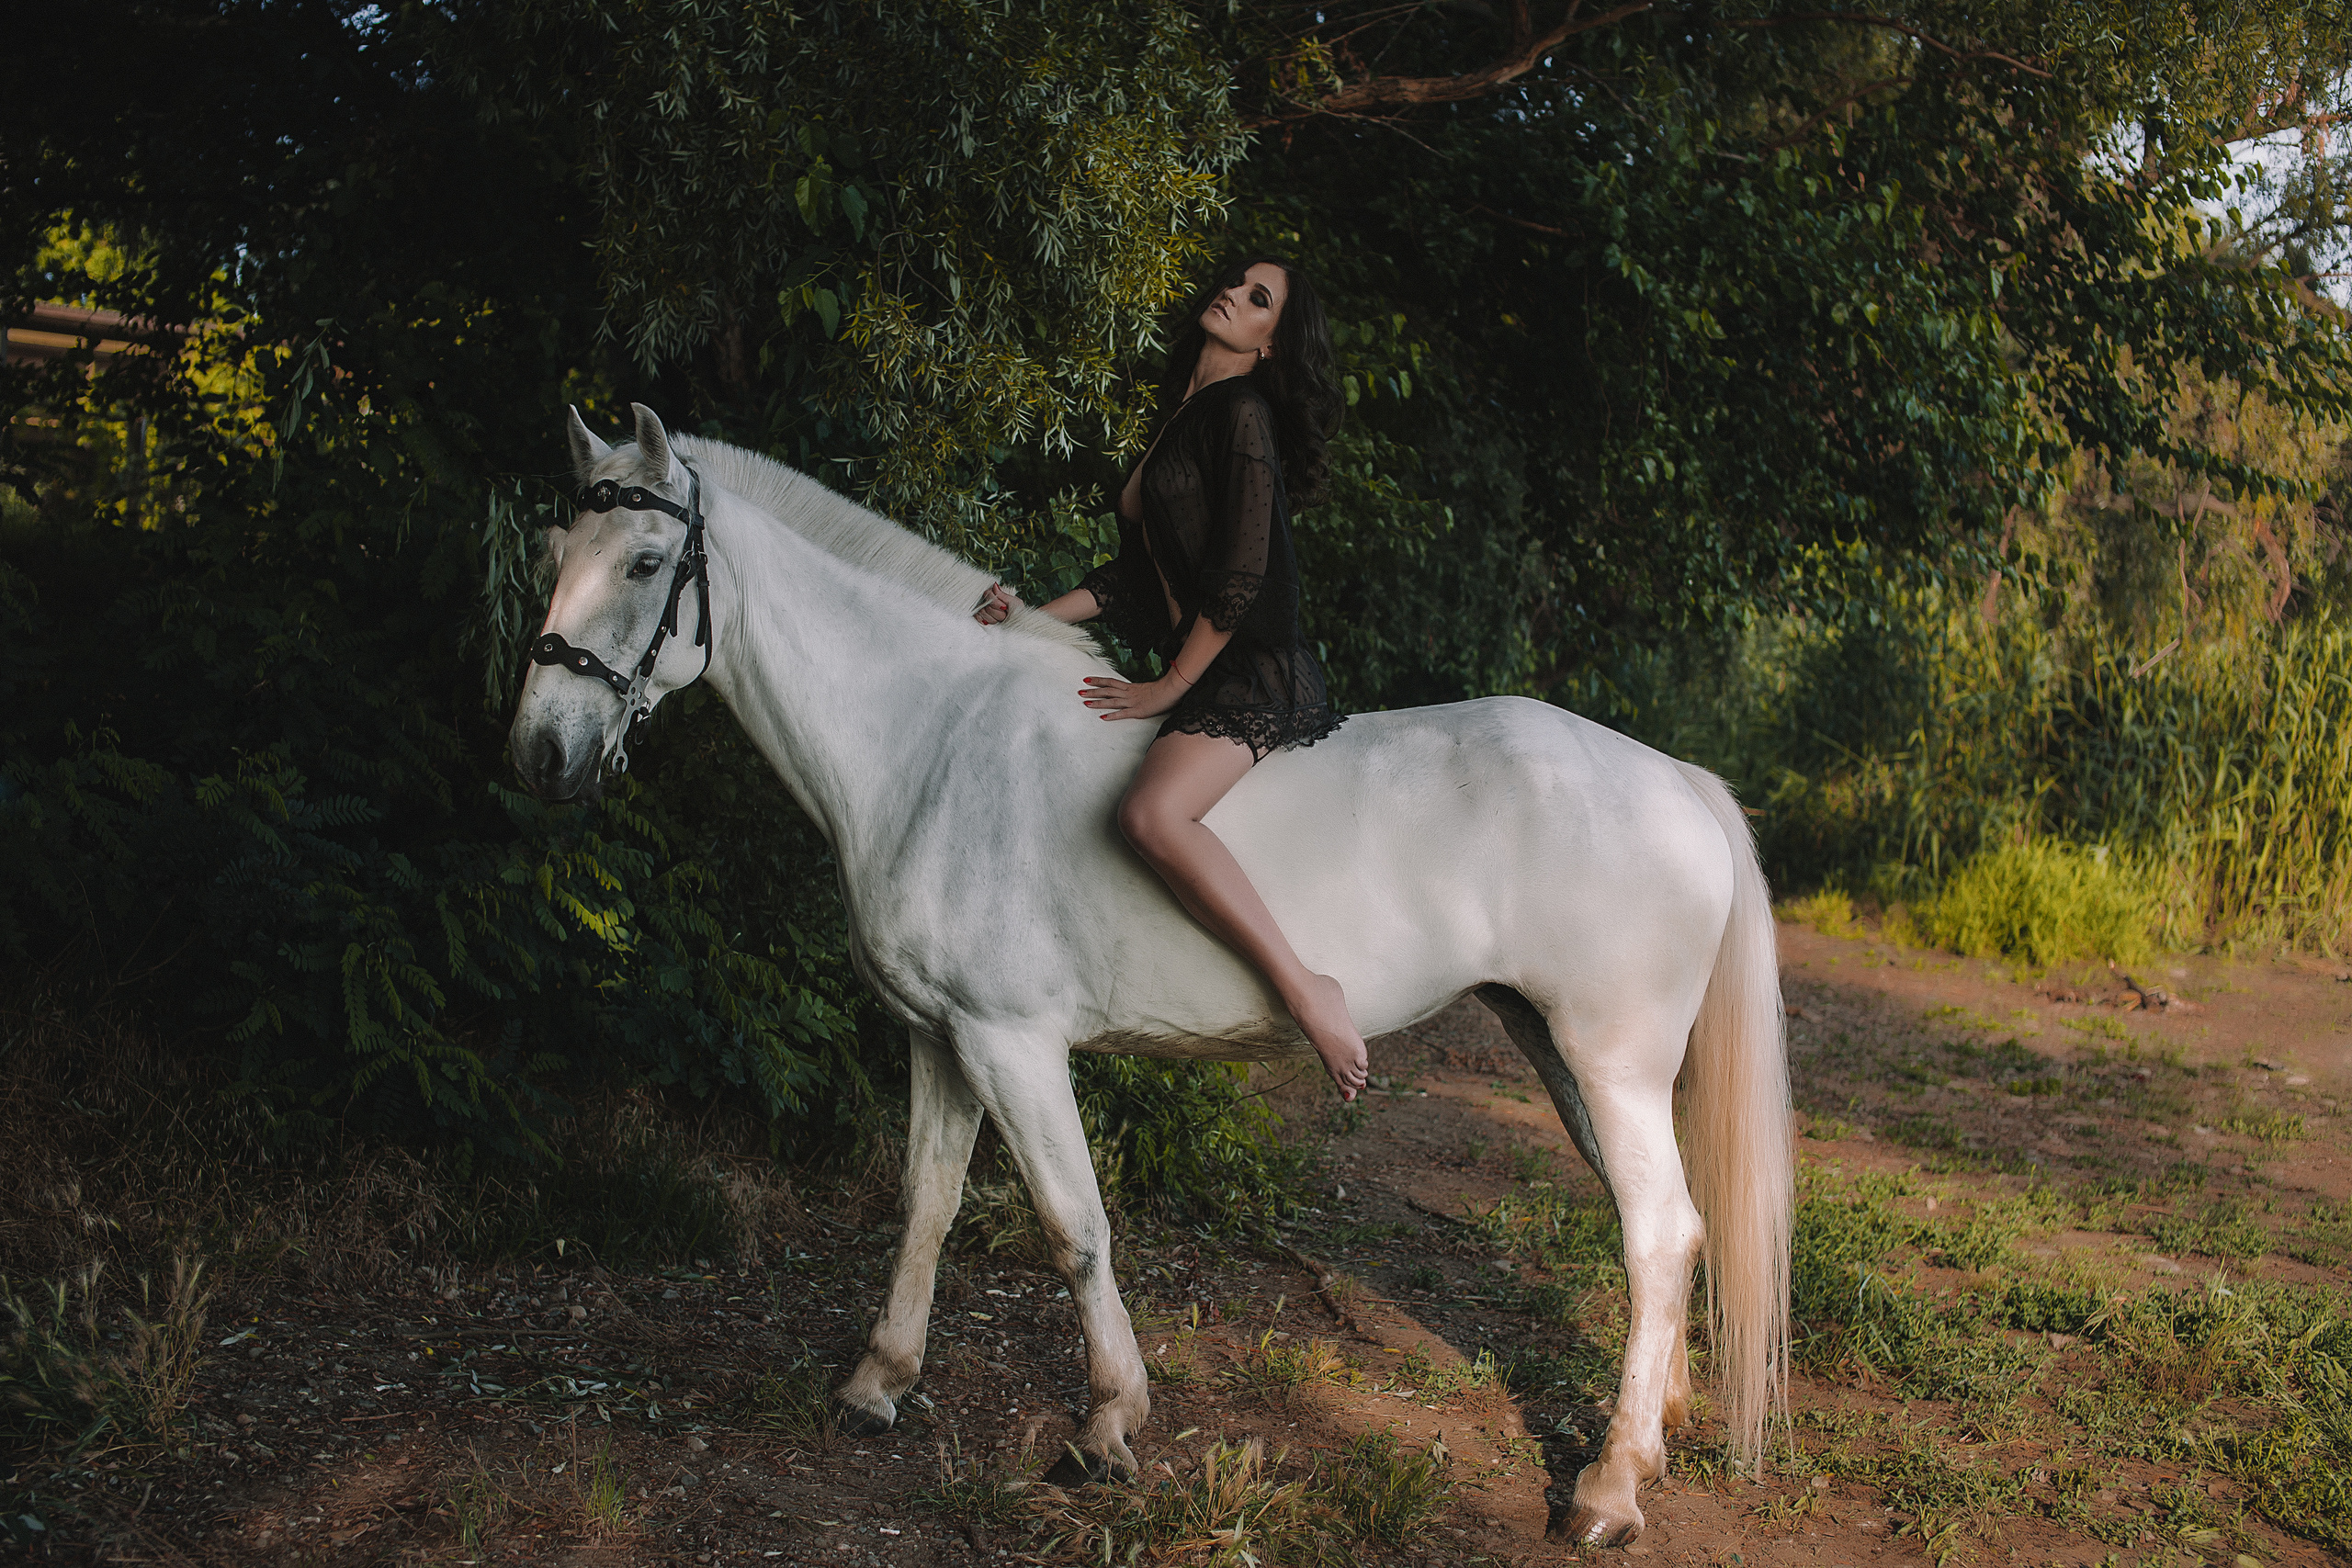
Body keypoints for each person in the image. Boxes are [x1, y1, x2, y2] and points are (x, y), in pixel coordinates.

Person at [975, 258, 1371, 1101]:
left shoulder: (1243, 415)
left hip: (1247, 667)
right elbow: (1137, 582)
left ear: (1271, 345)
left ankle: (1308, 988)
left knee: (1150, 813)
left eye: (1259, 299)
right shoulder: (1184, 414)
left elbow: (1240, 574)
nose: (1232, 293)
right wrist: (1031, 621)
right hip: (1202, 657)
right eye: (1237, 282)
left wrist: (1166, 687)